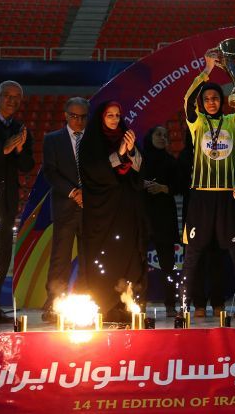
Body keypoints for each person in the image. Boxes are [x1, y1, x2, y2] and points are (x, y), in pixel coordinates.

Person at [180, 52, 235, 323]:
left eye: (215, 98)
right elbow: (187, 100)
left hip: (228, 198)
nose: (211, 102)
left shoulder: (231, 122)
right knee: (192, 256)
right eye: (207, 98)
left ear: (222, 100)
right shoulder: (196, 122)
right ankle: (184, 309)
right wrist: (206, 71)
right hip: (201, 198)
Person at [79, 101, 147, 323]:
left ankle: (127, 305)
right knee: (103, 259)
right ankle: (104, 305)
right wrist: (119, 153)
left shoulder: (125, 136)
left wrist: (131, 151)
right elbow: (94, 173)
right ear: (101, 117)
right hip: (101, 214)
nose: (115, 119)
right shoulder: (91, 141)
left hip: (125, 211)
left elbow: (139, 169)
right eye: (110, 115)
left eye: (118, 115)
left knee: (127, 255)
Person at [0, 80, 34, 323]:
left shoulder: (20, 128)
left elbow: (28, 166)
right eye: (8, 96)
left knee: (1, 257)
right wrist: (4, 149)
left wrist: (19, 149)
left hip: (7, 202)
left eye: (16, 97)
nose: (12, 101)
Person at [41, 97, 89, 321]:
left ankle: (88, 300)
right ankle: (54, 304)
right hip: (65, 206)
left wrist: (87, 193)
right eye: (74, 116)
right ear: (66, 115)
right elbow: (50, 172)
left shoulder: (95, 139)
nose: (79, 121)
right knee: (60, 258)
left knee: (89, 258)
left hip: (90, 208)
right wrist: (73, 192)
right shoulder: (52, 139)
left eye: (83, 117)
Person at [140, 125, 180, 317]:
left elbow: (180, 185)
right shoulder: (139, 160)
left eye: (165, 135)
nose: (162, 137)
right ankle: (138, 304)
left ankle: (171, 304)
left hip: (165, 217)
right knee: (138, 263)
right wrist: (143, 184)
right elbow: (129, 182)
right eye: (158, 134)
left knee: (168, 264)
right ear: (150, 137)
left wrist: (163, 188)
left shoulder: (171, 161)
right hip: (144, 216)